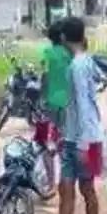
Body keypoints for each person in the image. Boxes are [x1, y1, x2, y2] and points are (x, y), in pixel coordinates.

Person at [58, 16, 104, 214]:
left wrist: (83, 144)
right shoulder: (86, 61)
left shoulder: (77, 66)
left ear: (65, 38)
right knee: (67, 186)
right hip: (75, 135)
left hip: (84, 138)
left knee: (86, 188)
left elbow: (84, 104)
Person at [36, 20, 71, 191]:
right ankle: (65, 181)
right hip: (66, 103)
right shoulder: (68, 54)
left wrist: (40, 97)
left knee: (44, 141)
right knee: (63, 141)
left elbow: (44, 76)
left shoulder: (47, 53)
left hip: (48, 103)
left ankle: (51, 183)